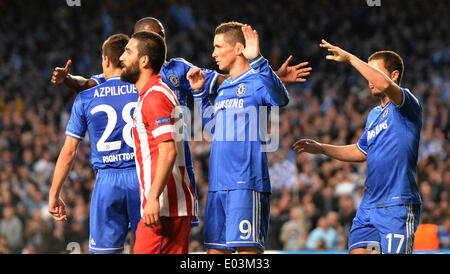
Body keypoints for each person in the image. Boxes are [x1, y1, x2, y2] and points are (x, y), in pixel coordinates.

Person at [50, 17, 310, 229]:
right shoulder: (128, 73)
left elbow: (229, 80)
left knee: (168, 234)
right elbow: (90, 85)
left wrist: (271, 76)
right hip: (141, 167)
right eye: (152, 36)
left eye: (161, 35)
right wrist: (68, 79)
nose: (159, 41)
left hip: (176, 165)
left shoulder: (179, 69)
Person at [293, 40, 422, 254]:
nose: (368, 78)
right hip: (368, 205)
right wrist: (322, 148)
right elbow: (361, 152)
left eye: (373, 71)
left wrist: (351, 58)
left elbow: (386, 86)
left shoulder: (407, 105)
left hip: (397, 204)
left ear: (394, 75)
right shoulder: (373, 115)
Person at [187, 22, 300, 254]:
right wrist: (199, 93)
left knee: (247, 254)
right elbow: (214, 129)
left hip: (246, 183)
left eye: (218, 47)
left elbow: (281, 99)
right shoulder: (225, 86)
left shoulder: (258, 79)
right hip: (218, 185)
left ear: (238, 48)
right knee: (215, 253)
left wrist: (259, 60)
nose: (213, 53)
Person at [48, 34, 141, 254]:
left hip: (107, 182)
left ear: (106, 61)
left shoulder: (86, 98)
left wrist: (54, 193)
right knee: (145, 248)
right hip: (142, 178)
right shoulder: (143, 90)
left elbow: (69, 151)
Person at [119, 31, 196, 254]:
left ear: (144, 60)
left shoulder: (154, 96)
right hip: (164, 209)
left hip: (164, 211)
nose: (122, 58)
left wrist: (152, 199)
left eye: (128, 51)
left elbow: (168, 151)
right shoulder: (152, 94)